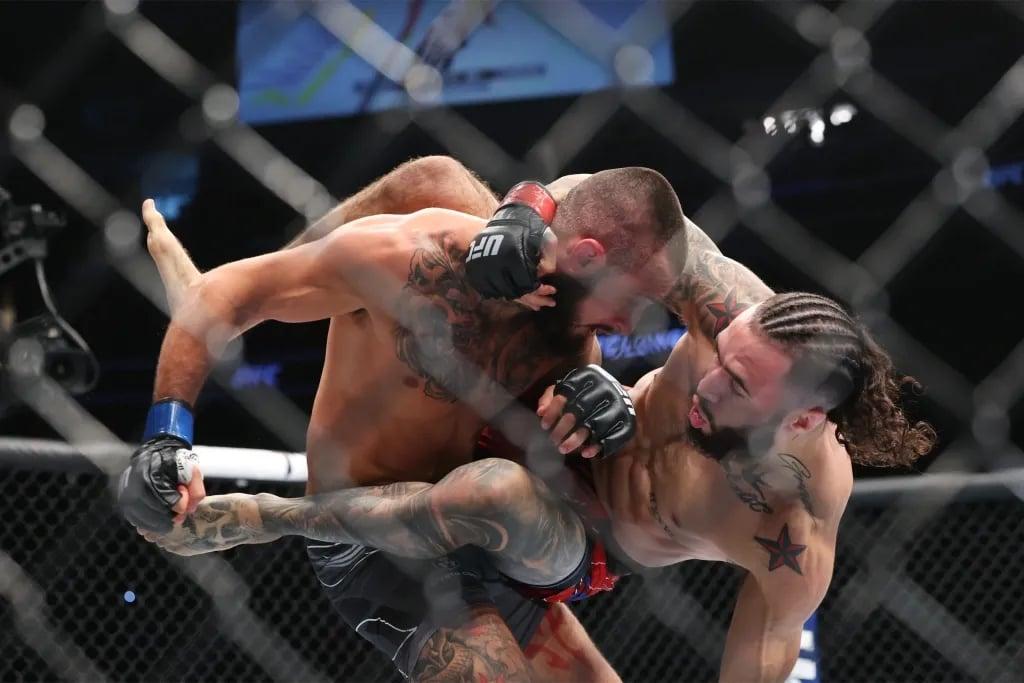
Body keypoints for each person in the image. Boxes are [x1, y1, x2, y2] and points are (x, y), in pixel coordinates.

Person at [141, 170, 937, 681]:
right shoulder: (729, 311)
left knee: (498, 493)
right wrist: (530, 205)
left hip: (564, 542)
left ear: (800, 417)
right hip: (497, 467)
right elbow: (627, 209)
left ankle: (241, 316)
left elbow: (758, 660)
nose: (706, 375)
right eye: (718, 355)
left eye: (736, 386)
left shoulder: (796, 525)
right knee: (436, 183)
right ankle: (243, 298)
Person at [120, 162, 687, 682]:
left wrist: (618, 404)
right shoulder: (421, 261)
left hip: (481, 536)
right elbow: (230, 293)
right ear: (586, 258)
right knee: (432, 181)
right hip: (372, 539)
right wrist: (167, 434)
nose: (636, 323)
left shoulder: (579, 352)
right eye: (634, 300)